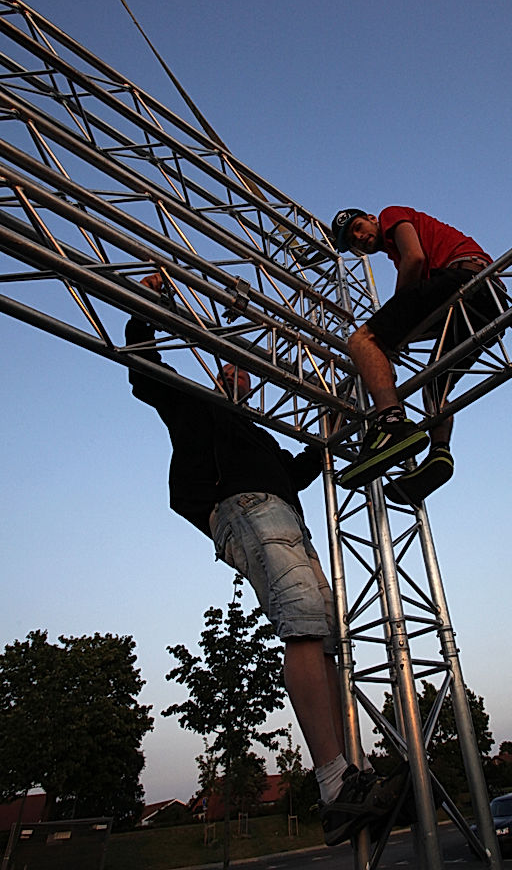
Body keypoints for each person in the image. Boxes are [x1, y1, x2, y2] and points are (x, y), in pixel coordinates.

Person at [125, 273, 400, 845]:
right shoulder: (196, 407)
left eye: (242, 370)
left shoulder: (259, 438)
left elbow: (297, 470)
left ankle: (352, 773)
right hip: (245, 510)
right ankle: (332, 782)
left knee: (326, 636)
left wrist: (335, 430)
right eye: (228, 368)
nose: (236, 372)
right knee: (302, 625)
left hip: (281, 512)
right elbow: (141, 366)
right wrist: (149, 303)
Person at [331, 206, 503, 504]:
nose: (360, 238)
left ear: (372, 218)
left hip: (461, 278)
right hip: (488, 299)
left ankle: (391, 422)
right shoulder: (398, 251)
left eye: (359, 227)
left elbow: (415, 258)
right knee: (434, 383)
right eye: (354, 241)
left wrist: (393, 320)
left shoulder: (392, 215)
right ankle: (440, 454)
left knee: (361, 341)